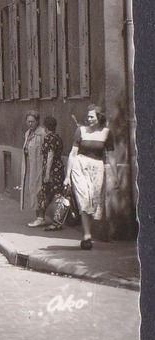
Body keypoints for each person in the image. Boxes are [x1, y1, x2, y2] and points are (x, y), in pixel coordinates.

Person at [65, 104, 119, 250]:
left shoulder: (107, 133)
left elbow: (111, 156)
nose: (88, 119)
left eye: (91, 117)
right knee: (83, 199)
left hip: (97, 168)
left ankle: (86, 231)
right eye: (87, 116)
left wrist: (115, 175)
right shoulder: (81, 131)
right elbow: (73, 153)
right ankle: (87, 235)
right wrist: (67, 176)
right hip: (80, 166)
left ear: (99, 117)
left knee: (93, 202)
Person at [35, 115, 66, 229]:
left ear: (45, 127)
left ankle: (42, 218)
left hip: (52, 169)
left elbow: (50, 156)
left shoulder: (48, 138)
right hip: (59, 168)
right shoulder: (58, 137)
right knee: (58, 195)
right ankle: (57, 221)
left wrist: (47, 173)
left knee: (46, 194)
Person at [20, 110, 46, 224]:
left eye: (32, 121)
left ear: (37, 122)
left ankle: (40, 217)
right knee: (33, 190)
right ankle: (38, 217)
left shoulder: (42, 133)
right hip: (30, 165)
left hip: (40, 166)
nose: (30, 124)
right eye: (28, 121)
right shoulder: (27, 133)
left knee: (39, 190)